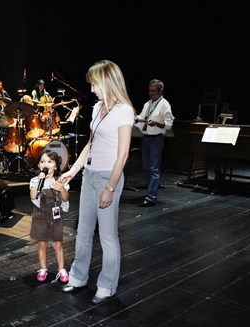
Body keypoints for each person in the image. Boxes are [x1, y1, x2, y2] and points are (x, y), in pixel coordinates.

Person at [58, 60, 134, 305]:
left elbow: (123, 154)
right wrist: (74, 170)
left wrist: (110, 187)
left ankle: (107, 285)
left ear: (107, 81)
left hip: (107, 177)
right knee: (83, 231)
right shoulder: (97, 108)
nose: (91, 89)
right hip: (90, 175)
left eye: (94, 84)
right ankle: (78, 276)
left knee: (108, 236)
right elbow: (91, 144)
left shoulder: (123, 110)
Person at [29, 150, 70, 283]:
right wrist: (40, 180)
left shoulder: (60, 180)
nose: (45, 164)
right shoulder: (35, 180)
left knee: (58, 243)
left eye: (49, 161)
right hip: (40, 216)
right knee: (42, 244)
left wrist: (61, 188)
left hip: (55, 216)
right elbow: (33, 196)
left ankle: (61, 268)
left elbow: (65, 198)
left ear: (55, 166)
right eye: (42, 162)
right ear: (39, 166)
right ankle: (43, 268)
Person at [135, 79, 174, 207]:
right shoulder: (147, 104)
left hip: (156, 139)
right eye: (149, 90)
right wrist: (136, 118)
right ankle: (149, 191)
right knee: (146, 167)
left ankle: (151, 197)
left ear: (160, 91)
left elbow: (168, 124)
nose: (151, 93)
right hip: (145, 138)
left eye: (153, 90)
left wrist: (156, 123)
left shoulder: (164, 105)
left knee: (153, 168)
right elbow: (141, 118)